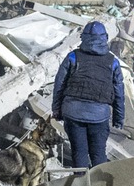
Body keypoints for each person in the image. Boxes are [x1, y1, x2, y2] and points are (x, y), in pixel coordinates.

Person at [50, 20, 127, 168]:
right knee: (98, 154)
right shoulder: (113, 62)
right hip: (99, 116)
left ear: (83, 37)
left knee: (79, 153)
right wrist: (119, 118)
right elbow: (119, 92)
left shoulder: (72, 57)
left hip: (73, 113)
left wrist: (57, 110)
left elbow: (59, 85)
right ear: (105, 38)